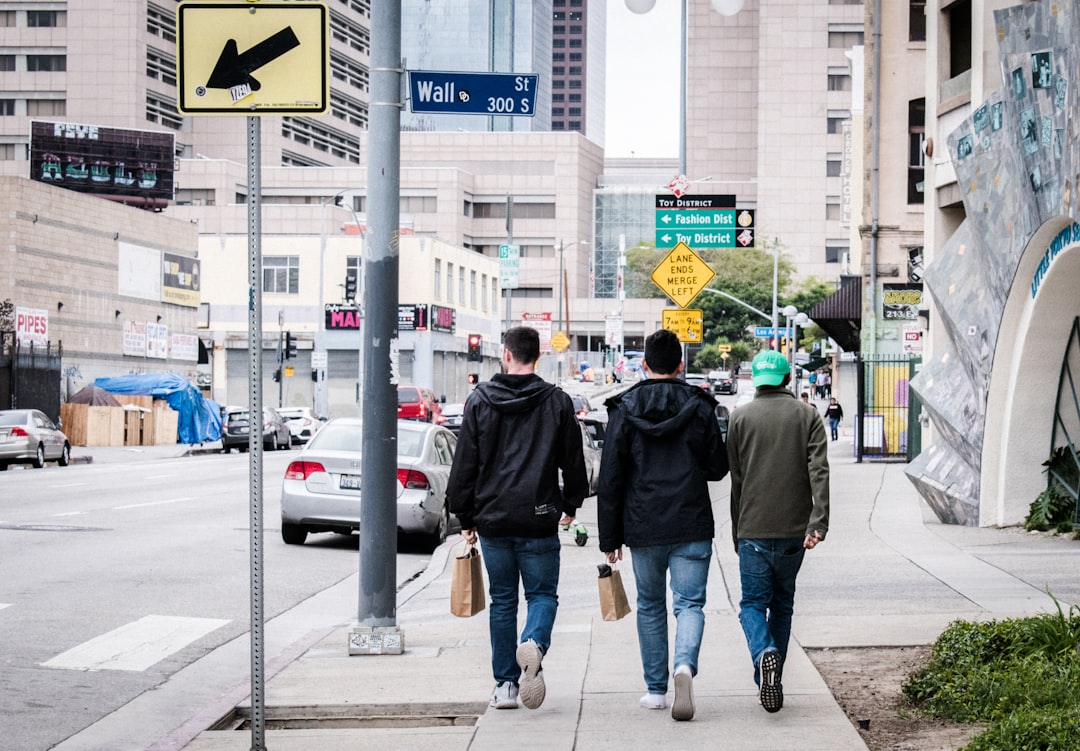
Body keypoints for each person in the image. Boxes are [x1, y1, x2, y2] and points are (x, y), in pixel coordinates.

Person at [447, 326, 589, 711]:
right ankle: (535, 642)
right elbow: (572, 461)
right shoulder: (557, 402)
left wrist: (464, 514)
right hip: (540, 516)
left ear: (506, 356)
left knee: (503, 600)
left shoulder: (479, 401)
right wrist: (571, 503)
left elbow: (466, 464)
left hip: (493, 518)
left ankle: (506, 686)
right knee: (542, 595)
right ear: (537, 357)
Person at [597, 328, 729, 721]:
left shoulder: (624, 408)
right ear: (681, 365)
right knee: (689, 604)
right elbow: (718, 469)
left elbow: (611, 478)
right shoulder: (701, 406)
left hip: (643, 525)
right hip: (690, 522)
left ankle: (656, 691)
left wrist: (610, 537)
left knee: (651, 606)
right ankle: (684, 666)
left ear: (644, 365)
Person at [726, 349, 829, 714]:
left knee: (752, 605)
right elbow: (819, 471)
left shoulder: (740, 419)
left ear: (756, 382)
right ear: (788, 380)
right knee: (782, 606)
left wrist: (737, 529)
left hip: (752, 528)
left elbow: (737, 480)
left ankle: (763, 654)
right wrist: (819, 523)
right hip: (794, 532)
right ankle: (772, 677)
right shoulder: (808, 416)